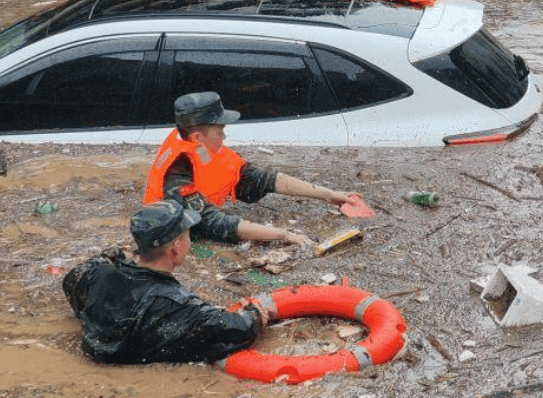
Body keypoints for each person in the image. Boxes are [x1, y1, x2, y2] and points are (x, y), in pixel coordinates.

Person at [63, 200, 275, 364]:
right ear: (175, 247)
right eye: (188, 237)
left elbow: (72, 277)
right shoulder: (179, 304)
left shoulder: (97, 276)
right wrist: (256, 313)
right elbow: (238, 328)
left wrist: (113, 256)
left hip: (99, 353)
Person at [143, 92, 363, 247]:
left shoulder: (207, 149)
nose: (225, 136)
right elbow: (213, 224)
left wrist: (328, 195)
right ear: (198, 137)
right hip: (170, 235)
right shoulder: (177, 172)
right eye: (220, 131)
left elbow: (263, 179)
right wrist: (283, 235)